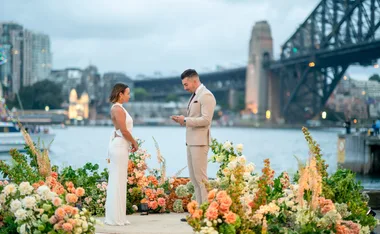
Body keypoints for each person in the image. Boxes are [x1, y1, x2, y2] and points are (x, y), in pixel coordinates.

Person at [171, 69, 216, 221]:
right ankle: (197, 213)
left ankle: (206, 215)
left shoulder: (206, 95)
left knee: (202, 179)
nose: (185, 88)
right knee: (195, 179)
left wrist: (185, 120)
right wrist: (182, 120)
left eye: (186, 84)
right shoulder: (195, 96)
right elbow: (194, 118)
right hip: (191, 142)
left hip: (200, 143)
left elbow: (206, 120)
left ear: (194, 80)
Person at [105, 83, 138, 226]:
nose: (129, 96)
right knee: (117, 181)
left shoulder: (120, 108)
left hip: (122, 146)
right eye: (128, 93)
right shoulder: (117, 109)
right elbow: (124, 131)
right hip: (119, 146)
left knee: (120, 181)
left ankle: (119, 216)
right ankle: (115, 217)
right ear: (121, 94)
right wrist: (134, 143)